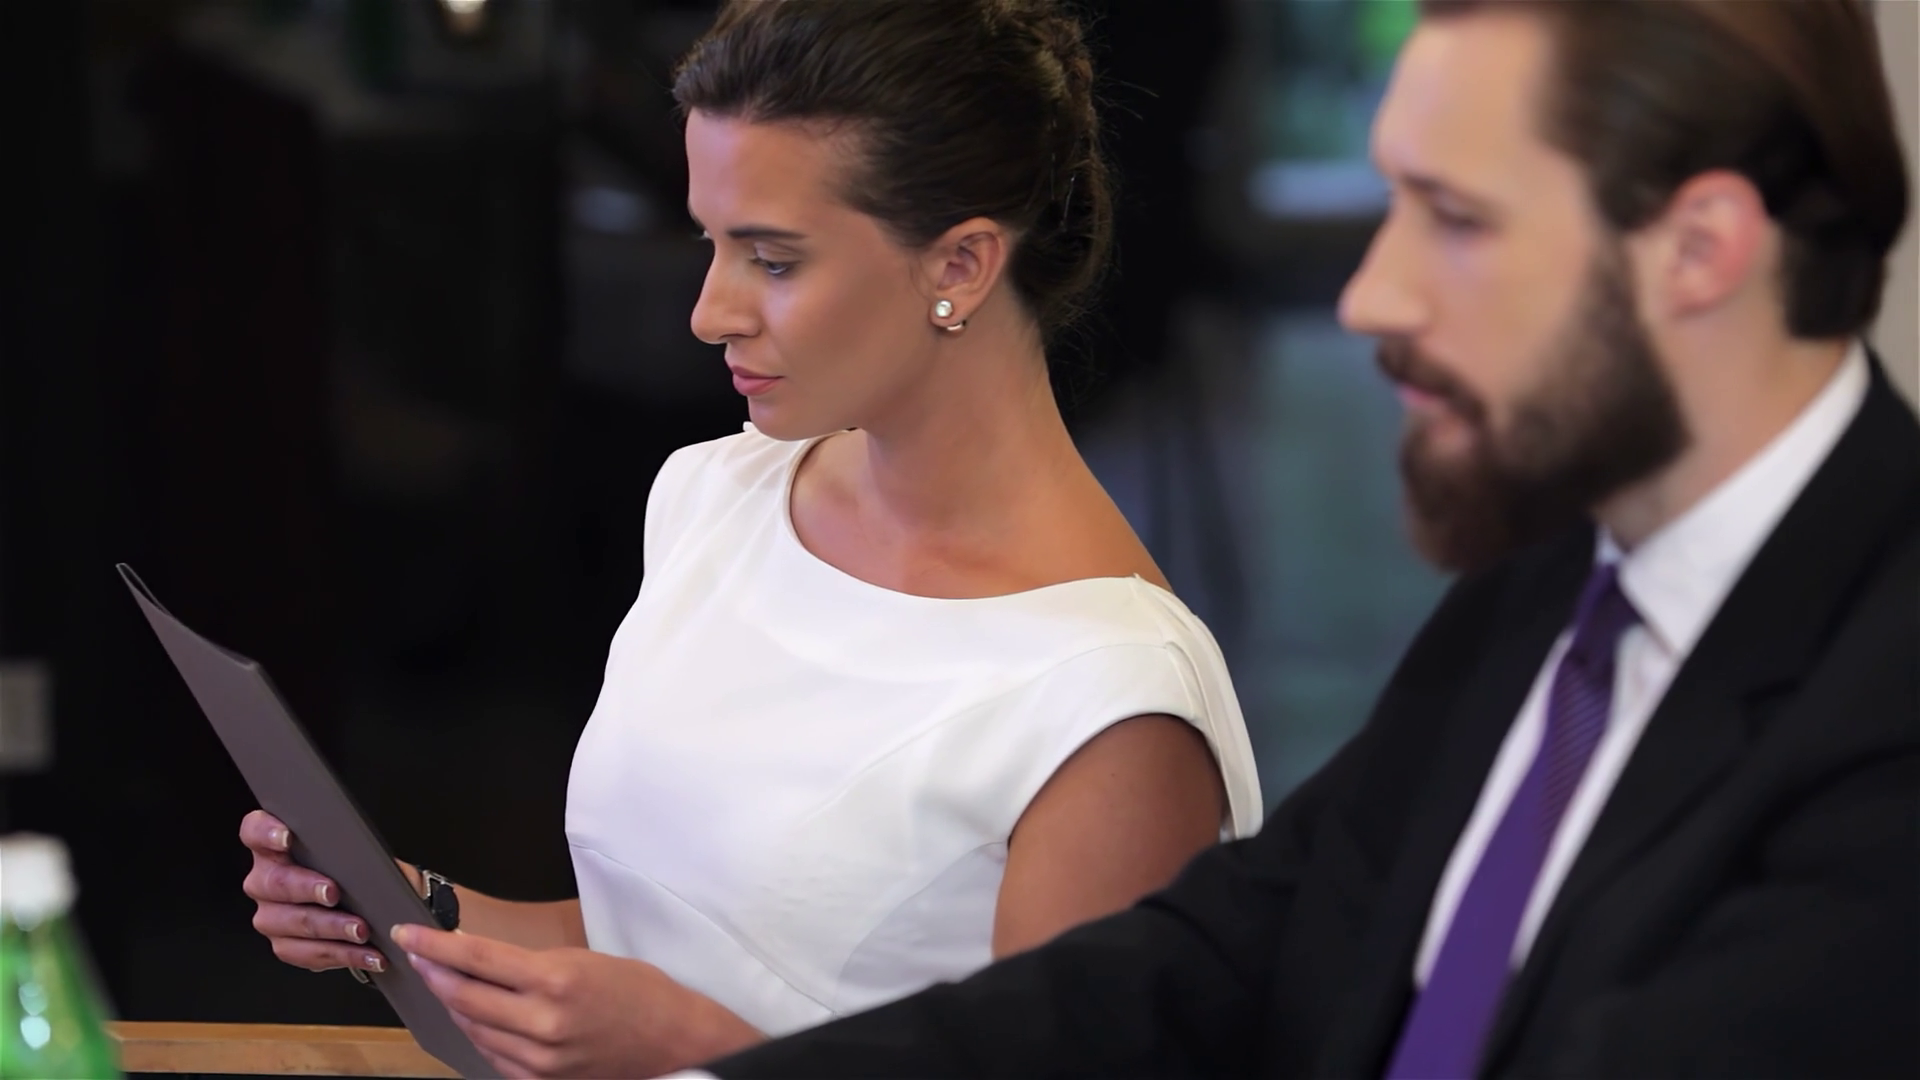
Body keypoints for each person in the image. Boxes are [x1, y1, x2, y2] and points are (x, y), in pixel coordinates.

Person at [391, 0, 1919, 1076]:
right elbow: (1201, 962)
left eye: (1453, 218)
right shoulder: (1549, 599)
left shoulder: (1883, 713)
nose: (1372, 295)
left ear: (1702, 249)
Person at [238, 0, 1266, 1072]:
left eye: (771, 259)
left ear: (959, 267)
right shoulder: (716, 498)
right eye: (711, 242)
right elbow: (669, 946)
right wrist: (413, 916)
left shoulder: (1107, 706)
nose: (709, 311)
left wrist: (697, 1049)